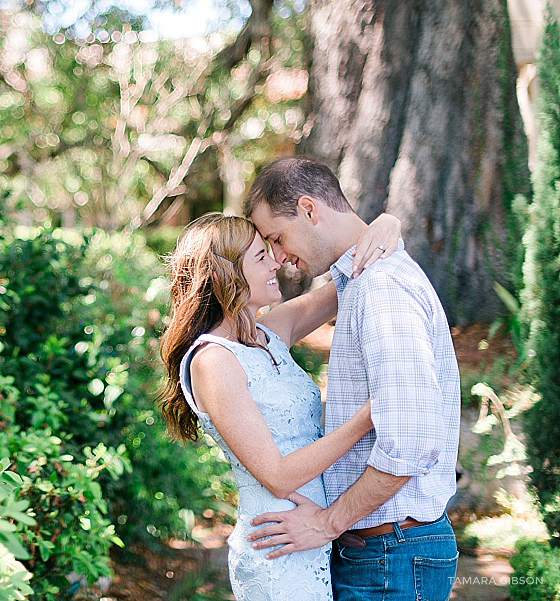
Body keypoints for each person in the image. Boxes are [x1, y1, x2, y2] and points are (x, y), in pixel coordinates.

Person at [243, 157, 460, 601]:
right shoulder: (361, 281)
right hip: (381, 554)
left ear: (309, 209)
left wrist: (326, 523)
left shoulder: (382, 290)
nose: (280, 259)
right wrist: (385, 225)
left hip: (393, 556)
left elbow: (411, 440)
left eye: (276, 239)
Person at [158, 210, 401, 601]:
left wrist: (387, 225)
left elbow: (353, 277)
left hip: (316, 535)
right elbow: (278, 476)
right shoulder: (212, 361)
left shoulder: (269, 334)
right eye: (259, 256)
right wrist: (370, 415)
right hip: (276, 547)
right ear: (223, 276)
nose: (276, 261)